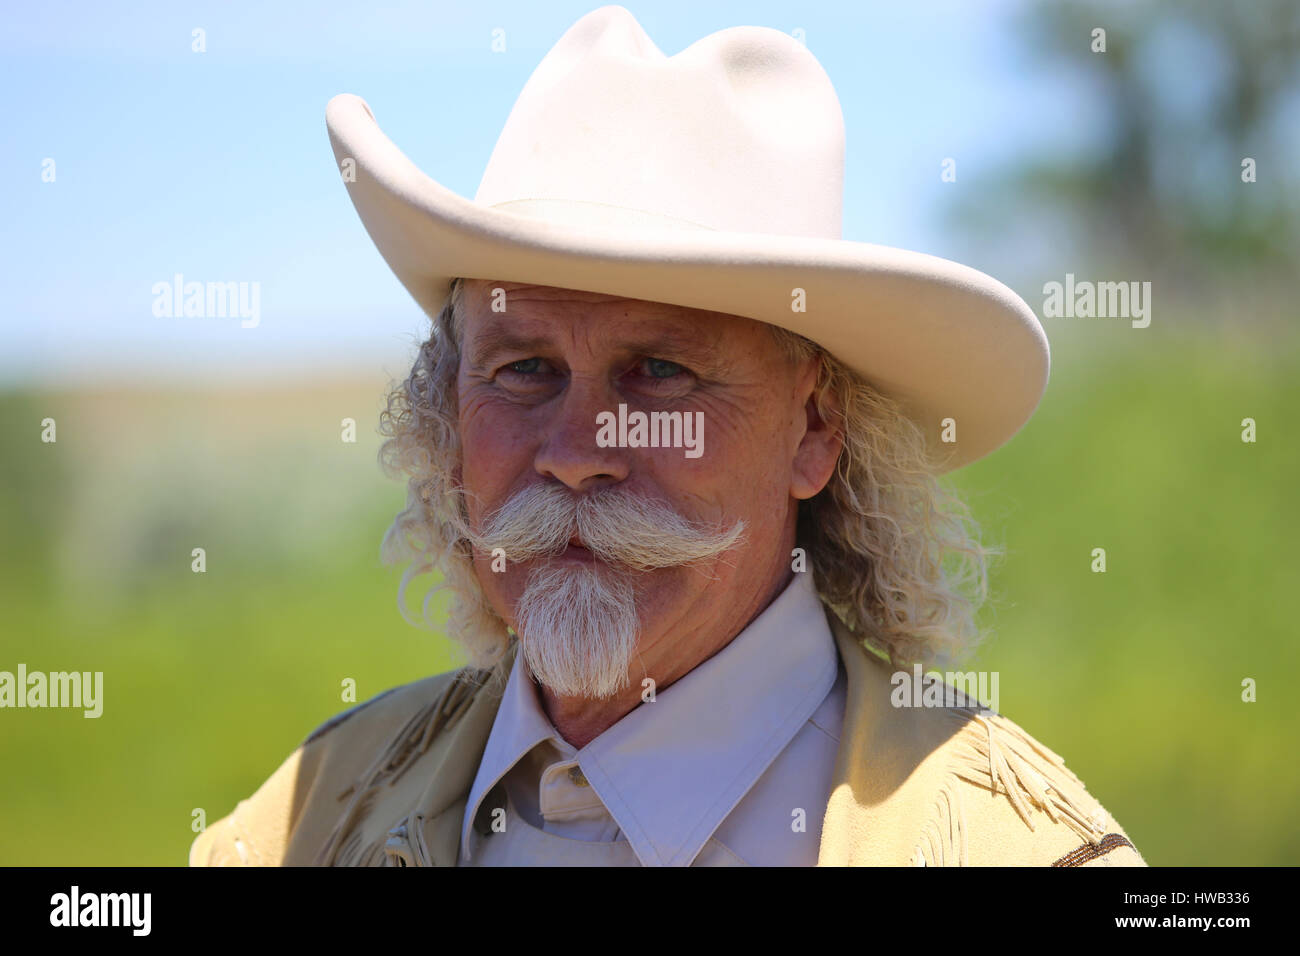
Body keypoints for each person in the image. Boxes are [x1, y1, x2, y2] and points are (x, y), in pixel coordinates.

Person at [190, 5, 1144, 867]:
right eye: (524, 370)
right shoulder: (296, 827)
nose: (573, 450)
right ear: (448, 419)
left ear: (815, 429)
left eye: (657, 374)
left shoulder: (1013, 851)